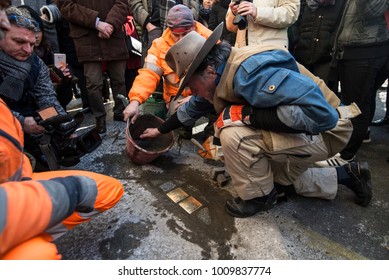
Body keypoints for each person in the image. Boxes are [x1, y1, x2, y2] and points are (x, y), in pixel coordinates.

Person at [139, 24, 372, 218]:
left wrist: (250, 116)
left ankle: (260, 198)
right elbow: (192, 108)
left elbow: (321, 115)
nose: (192, 92)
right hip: (309, 129)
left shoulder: (250, 75)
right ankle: (349, 174)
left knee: (232, 134)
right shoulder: (220, 74)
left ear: (208, 71)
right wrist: (160, 130)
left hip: (329, 130)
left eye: (191, 86)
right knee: (275, 180)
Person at [0, 1, 123, 260]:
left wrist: (62, 123)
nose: (28, 49)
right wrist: (22, 122)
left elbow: (46, 96)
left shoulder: (33, 61)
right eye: (19, 42)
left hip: (18, 161)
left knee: (103, 189)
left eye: (33, 44)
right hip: (10, 150)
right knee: (40, 253)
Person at [315, 0, 389, 167]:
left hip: (367, 50)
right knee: (359, 101)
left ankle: (346, 156)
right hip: (353, 48)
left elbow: (371, 10)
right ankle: (354, 140)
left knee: (356, 106)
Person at [123, 4, 213, 124]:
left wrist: (196, 98)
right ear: (169, 29)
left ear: (194, 26)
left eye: (186, 34)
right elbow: (148, 74)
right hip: (178, 97)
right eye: (176, 35)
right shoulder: (159, 46)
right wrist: (135, 102)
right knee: (180, 114)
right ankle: (184, 129)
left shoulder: (209, 37)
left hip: (207, 93)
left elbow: (220, 74)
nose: (181, 40)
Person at [57, 0, 131, 133]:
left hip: (113, 34)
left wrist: (110, 24)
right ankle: (99, 117)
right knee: (93, 82)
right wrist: (96, 22)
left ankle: (120, 111)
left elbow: (123, 3)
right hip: (86, 37)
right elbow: (65, 6)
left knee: (119, 78)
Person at [288, 0, 346, 87]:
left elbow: (341, 27)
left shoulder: (342, 3)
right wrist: (297, 41)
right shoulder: (304, 2)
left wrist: (330, 46)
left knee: (323, 94)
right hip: (301, 55)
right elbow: (295, 22)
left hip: (326, 59)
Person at [129, 0, 200, 62]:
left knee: (182, 68)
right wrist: (148, 25)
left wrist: (187, 25)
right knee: (151, 64)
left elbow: (195, 5)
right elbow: (134, 3)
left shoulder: (201, 32)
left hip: (182, 31)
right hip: (152, 30)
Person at [225, 0, 299, 48]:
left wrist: (258, 12)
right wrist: (234, 13)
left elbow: (291, 13)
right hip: (242, 53)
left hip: (270, 53)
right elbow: (230, 27)